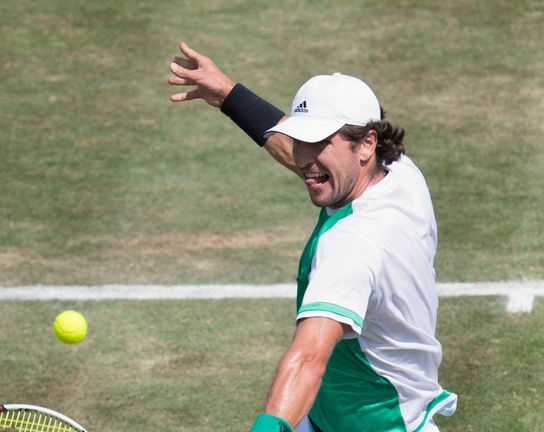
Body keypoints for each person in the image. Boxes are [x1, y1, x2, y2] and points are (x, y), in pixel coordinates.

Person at [167, 42, 457, 432]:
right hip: (329, 415)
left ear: (367, 143)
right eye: (302, 139)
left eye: (320, 142)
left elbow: (308, 357)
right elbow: (304, 157)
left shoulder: (353, 245)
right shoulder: (399, 173)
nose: (305, 157)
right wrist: (229, 96)